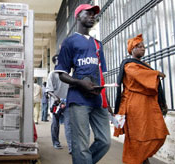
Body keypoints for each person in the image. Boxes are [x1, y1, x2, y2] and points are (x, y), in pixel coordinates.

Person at [55, 4, 111, 164]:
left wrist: (106, 100)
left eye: (94, 14)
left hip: (97, 99)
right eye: (89, 13)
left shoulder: (98, 45)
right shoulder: (69, 42)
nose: (93, 16)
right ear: (78, 15)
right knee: (81, 145)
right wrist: (80, 83)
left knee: (105, 141)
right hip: (78, 99)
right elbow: (62, 74)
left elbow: (101, 74)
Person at [114, 34, 169, 164]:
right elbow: (140, 75)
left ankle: (142, 158)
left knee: (158, 132)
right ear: (131, 49)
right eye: (138, 47)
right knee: (137, 136)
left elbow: (148, 78)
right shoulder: (129, 66)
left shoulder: (144, 65)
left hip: (148, 105)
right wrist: (156, 73)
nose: (142, 49)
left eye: (143, 46)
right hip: (135, 106)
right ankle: (138, 160)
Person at [46, 55, 72, 153]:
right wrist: (55, 98)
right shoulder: (52, 74)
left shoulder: (68, 74)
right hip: (55, 104)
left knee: (68, 124)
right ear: (55, 62)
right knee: (55, 124)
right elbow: (49, 90)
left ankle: (71, 147)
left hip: (66, 103)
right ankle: (56, 142)